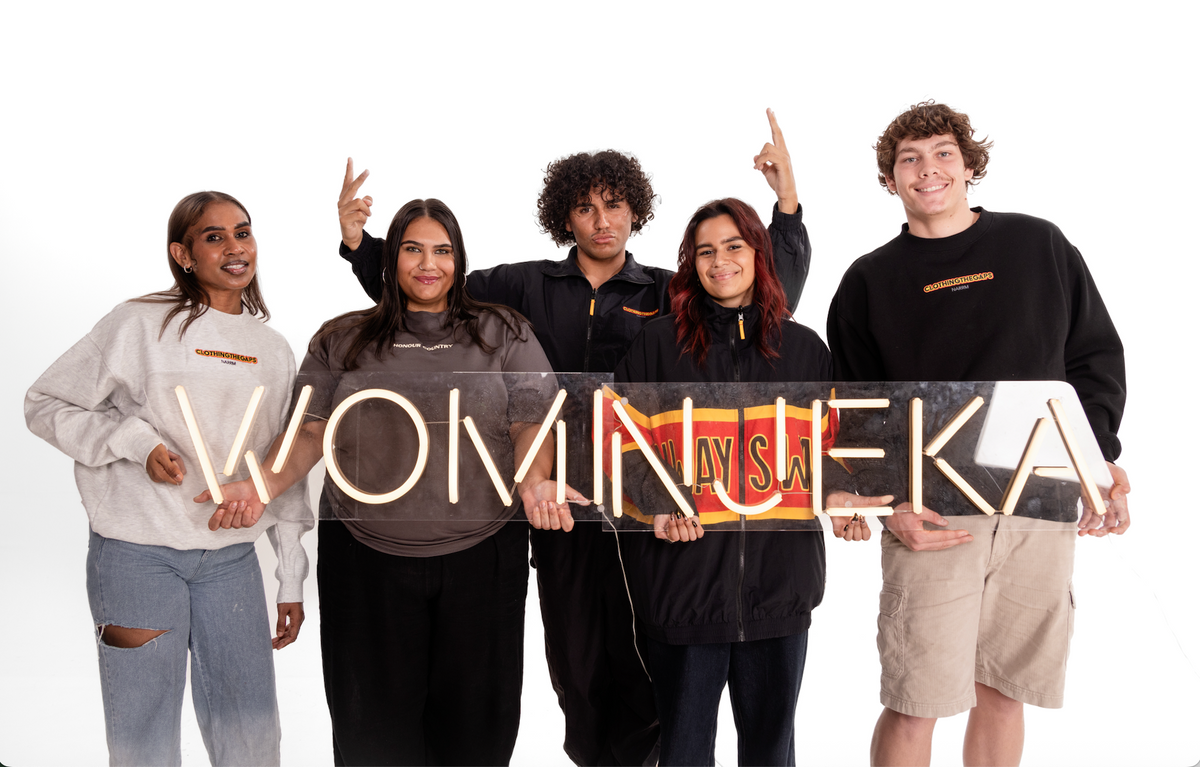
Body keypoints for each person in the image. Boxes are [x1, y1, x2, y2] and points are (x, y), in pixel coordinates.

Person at [337, 110, 811, 765]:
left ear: (634, 213)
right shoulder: (522, 287)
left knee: (646, 662)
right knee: (578, 665)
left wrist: (786, 206)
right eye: (585, 208)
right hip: (557, 506)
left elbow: (759, 296)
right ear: (566, 218)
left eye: (614, 206)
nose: (601, 220)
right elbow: (429, 291)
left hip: (645, 506)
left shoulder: (668, 294)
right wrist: (363, 246)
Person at [205, 198, 569, 765]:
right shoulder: (342, 338)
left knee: (477, 737)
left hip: (483, 559)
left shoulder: (504, 331)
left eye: (443, 250)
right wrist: (259, 485)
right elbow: (308, 433)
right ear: (392, 257)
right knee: (371, 737)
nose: (429, 264)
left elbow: (531, 420)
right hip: (364, 561)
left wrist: (535, 478)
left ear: (459, 258)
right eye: (413, 249)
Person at [826, 101, 1131, 767]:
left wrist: (1096, 460)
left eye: (941, 153)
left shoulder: (1039, 245)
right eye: (909, 159)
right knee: (915, 699)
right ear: (890, 180)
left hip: (1037, 503)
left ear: (969, 165)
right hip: (933, 512)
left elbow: (1092, 362)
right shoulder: (867, 282)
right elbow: (854, 410)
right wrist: (890, 505)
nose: (927, 169)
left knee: (1003, 690)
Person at [24, 191, 313, 766]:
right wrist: (136, 442)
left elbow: (283, 466)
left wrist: (290, 577)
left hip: (230, 561)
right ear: (183, 253)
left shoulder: (274, 351)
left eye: (244, 232)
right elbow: (45, 402)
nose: (236, 248)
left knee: (252, 736)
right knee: (143, 734)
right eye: (215, 237)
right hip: (136, 556)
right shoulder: (138, 324)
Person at [613, 197, 885, 765]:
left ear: (758, 254)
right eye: (705, 251)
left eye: (734, 246)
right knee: (683, 754)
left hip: (780, 589)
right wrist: (658, 504)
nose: (720, 262)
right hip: (680, 588)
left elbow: (835, 449)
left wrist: (843, 496)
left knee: (770, 753)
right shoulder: (657, 346)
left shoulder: (805, 349)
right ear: (691, 263)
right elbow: (616, 445)